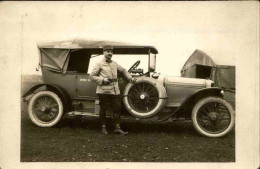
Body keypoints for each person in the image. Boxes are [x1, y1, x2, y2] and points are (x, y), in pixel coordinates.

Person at [90, 45, 135, 135]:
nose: (110, 53)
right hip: (103, 90)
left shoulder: (114, 64)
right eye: (108, 51)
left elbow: (123, 70)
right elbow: (92, 76)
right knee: (103, 108)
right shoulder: (99, 64)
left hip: (115, 90)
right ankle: (103, 128)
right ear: (104, 52)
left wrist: (130, 78)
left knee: (117, 108)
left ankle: (117, 128)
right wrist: (102, 80)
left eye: (111, 52)